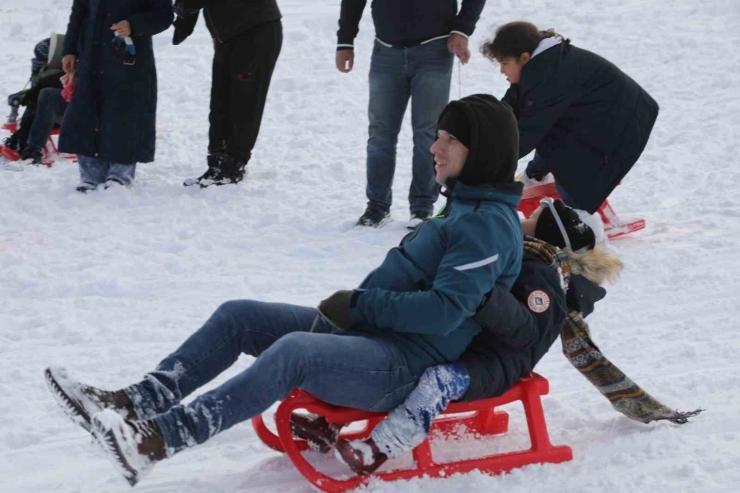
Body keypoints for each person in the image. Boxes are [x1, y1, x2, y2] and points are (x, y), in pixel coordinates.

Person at [44, 95, 524, 486]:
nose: (435, 148)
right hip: (371, 336)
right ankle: (133, 403)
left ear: (478, 151)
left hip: (403, 365)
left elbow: (443, 313)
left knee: (294, 350)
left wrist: (360, 303)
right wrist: (359, 310)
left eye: (450, 140)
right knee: (241, 316)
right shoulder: (465, 206)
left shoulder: (486, 225)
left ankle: (156, 441)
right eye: (437, 136)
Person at [292, 198, 617, 474]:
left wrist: (483, 296)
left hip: (496, 363)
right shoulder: (522, 255)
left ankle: (380, 448)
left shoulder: (543, 278)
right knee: (395, 356)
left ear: (546, 235)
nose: (523, 217)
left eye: (532, 218)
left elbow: (524, 334)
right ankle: (330, 422)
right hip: (472, 345)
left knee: (437, 379)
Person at [337, 0, 487, 228]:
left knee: (428, 132)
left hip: (435, 49)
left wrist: (462, 29)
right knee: (380, 134)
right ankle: (377, 207)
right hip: (386, 50)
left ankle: (422, 208)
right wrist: (345, 40)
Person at [483, 21, 659, 215]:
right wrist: (486, 129)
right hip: (604, 113)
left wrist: (489, 163)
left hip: (624, 123)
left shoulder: (548, 75)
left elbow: (529, 132)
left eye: (504, 63)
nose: (501, 71)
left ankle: (582, 219)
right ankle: (536, 175)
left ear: (523, 58)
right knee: (553, 131)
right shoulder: (538, 65)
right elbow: (511, 106)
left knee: (568, 161)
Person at [59, 0, 172, 192]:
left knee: (125, 113)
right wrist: (69, 49)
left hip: (128, 57)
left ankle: (120, 173)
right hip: (91, 56)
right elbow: (79, 13)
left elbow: (164, 16)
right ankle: (90, 174)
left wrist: (133, 25)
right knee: (86, 113)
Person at [173, 0, 283, 188]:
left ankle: (233, 165)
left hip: (256, 28)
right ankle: (217, 164)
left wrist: (185, 11)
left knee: (244, 101)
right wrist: (184, 21)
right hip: (228, 34)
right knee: (220, 100)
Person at [2, 36, 67, 168]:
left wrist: (21, 97)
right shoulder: (58, 72)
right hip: (62, 111)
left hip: (60, 115)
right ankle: (20, 142)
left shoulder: (53, 75)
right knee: (35, 102)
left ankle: (26, 148)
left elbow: (36, 93)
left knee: (36, 105)